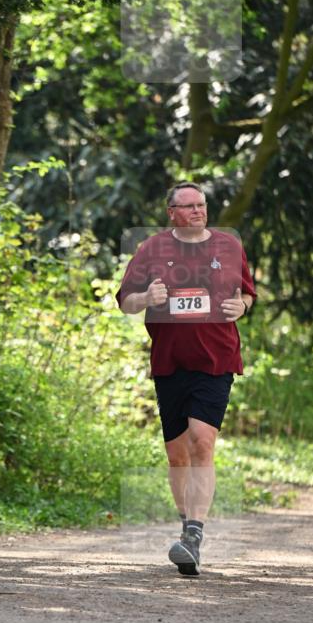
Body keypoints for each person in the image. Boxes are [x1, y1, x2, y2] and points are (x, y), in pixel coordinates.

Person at [117, 183, 256, 576]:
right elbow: (126, 300)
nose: (197, 211)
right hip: (170, 361)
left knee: (202, 441)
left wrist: (240, 307)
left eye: (201, 205)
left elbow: (247, 294)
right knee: (177, 455)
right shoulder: (152, 249)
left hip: (217, 358)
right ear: (171, 212)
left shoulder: (230, 246)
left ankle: (194, 534)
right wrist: (147, 298)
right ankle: (186, 528)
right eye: (188, 206)